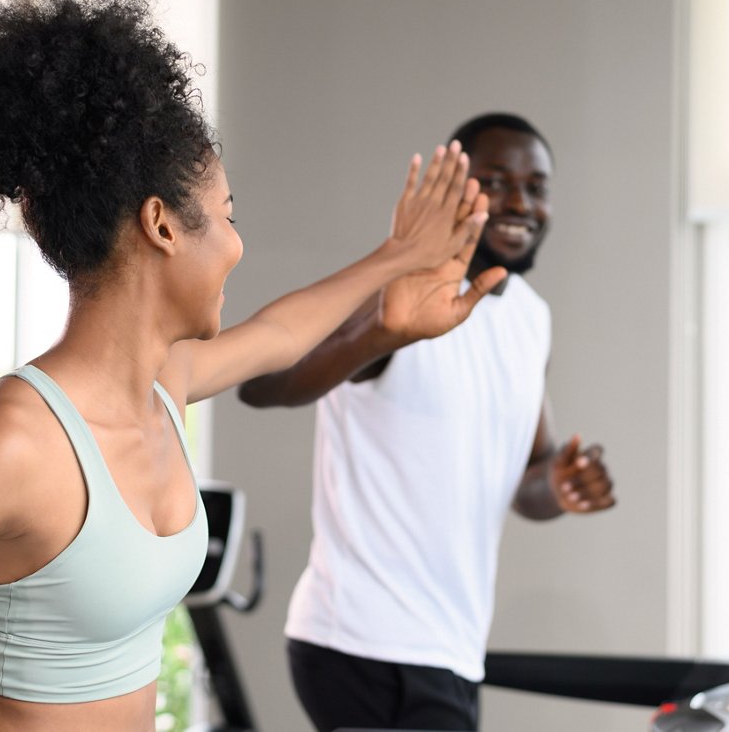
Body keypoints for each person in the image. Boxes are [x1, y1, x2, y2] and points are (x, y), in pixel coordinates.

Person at [0, 0, 499, 732]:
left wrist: (395, 264)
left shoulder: (163, 388)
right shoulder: (13, 445)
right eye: (226, 217)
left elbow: (282, 334)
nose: (237, 243)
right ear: (162, 225)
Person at [237, 112, 618, 732]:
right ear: (456, 191)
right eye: (496, 181)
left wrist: (562, 484)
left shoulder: (529, 318)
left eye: (538, 186)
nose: (521, 201)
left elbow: (527, 479)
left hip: (449, 649)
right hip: (361, 643)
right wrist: (381, 331)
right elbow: (263, 384)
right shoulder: (398, 295)